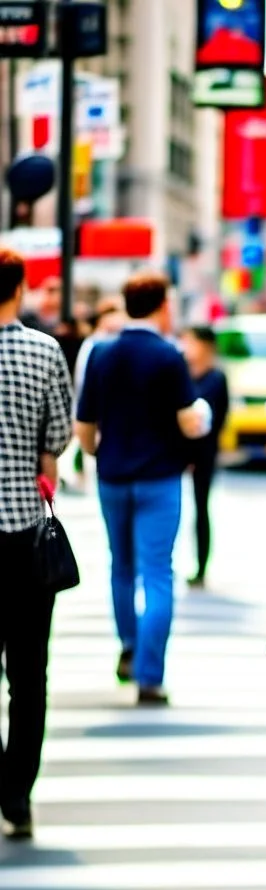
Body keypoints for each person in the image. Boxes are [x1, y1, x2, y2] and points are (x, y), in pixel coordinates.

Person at [75, 271, 211, 705]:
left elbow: (85, 425)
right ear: (162, 305)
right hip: (159, 477)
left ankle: (129, 648)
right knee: (157, 572)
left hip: (113, 475)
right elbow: (190, 421)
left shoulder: (102, 353)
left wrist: (98, 455)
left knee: (121, 566)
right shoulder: (169, 357)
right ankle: (150, 676)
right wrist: (203, 414)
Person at [0, 249, 73, 840]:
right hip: (24, 533)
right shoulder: (43, 350)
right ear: (20, 287)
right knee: (29, 673)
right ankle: (17, 793)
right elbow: (60, 434)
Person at [180, 325, 229, 588]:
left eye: (191, 342)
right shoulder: (181, 373)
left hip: (204, 453)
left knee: (201, 508)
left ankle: (200, 567)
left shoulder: (216, 378)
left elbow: (219, 418)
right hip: (176, 450)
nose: (186, 347)